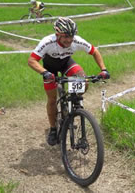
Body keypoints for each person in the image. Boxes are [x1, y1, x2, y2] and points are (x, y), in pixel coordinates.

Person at [28, 17, 110, 146]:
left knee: (82, 79)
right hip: (50, 69)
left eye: (71, 36)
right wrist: (45, 73)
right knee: (52, 100)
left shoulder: (77, 41)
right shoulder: (47, 42)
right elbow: (32, 60)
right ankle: (53, 129)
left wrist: (103, 69)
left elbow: (95, 51)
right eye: (65, 36)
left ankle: (75, 101)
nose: (69, 40)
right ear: (57, 35)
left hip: (66, 63)